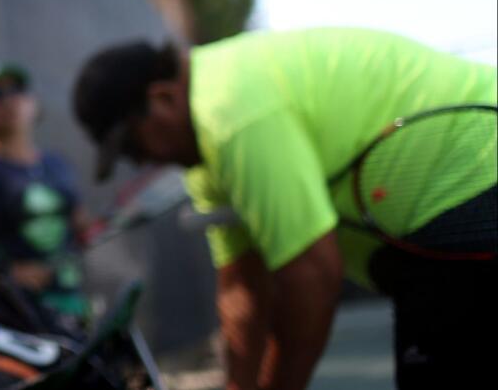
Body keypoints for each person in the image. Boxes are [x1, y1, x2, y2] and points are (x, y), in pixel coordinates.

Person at [71, 28, 497, 390]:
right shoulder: (205, 155)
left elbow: (311, 273)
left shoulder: (232, 112)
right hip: (435, 224)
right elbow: (242, 286)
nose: (141, 160)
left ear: (162, 97)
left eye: (131, 143)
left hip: (478, 167)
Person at [0, 61, 91, 325]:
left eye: (17, 91)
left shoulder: (59, 165)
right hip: (20, 313)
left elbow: (82, 227)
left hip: (72, 302)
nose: (9, 101)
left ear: (34, 103)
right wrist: (9, 274)